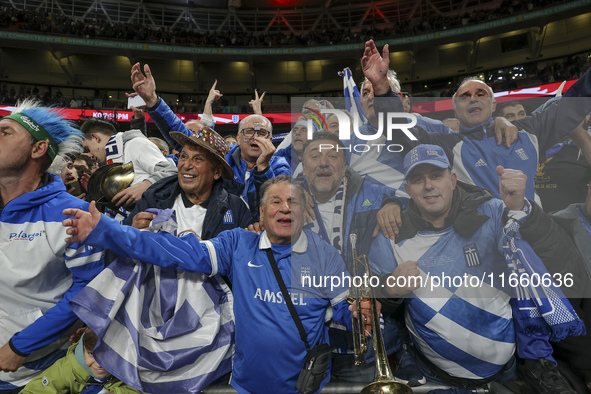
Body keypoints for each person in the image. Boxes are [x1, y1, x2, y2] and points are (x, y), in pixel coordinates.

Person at [62, 175, 374, 394]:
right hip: (246, 387)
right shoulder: (238, 244)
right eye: (275, 202)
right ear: (262, 213)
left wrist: (361, 314)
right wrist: (107, 231)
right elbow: (176, 252)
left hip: (307, 387)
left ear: (305, 214)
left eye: (293, 202)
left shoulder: (326, 256)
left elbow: (346, 311)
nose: (285, 208)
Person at [370, 144, 588, 393]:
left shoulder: (492, 211)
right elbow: (370, 304)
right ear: (407, 189)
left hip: (510, 374)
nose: (428, 185)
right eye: (418, 179)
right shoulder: (390, 234)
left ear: (452, 180)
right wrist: (389, 288)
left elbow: (552, 256)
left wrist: (521, 208)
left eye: (436, 176)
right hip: (435, 380)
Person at [298, 132, 423, 386]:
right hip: (305, 341)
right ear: (303, 165)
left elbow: (414, 202)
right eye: (315, 156)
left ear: (344, 166)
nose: (323, 162)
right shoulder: (290, 196)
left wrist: (393, 203)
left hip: (363, 342)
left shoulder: (371, 191)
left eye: (333, 156)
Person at [0, 100, 104, 392]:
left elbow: (88, 290)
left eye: (6, 132)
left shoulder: (74, 214)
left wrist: (20, 347)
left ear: (38, 149)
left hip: (35, 372)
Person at [129, 63, 290, 220]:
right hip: (220, 231)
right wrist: (153, 101)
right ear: (238, 137)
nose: (255, 137)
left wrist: (263, 168)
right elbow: (184, 135)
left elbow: (282, 202)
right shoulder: (223, 157)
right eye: (249, 132)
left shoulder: (280, 164)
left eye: (262, 133)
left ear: (270, 140)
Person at [125, 127, 253, 240]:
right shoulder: (154, 196)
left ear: (217, 172)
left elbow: (243, 258)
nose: (186, 165)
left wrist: (207, 251)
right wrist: (131, 233)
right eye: (183, 156)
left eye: (198, 159)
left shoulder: (236, 208)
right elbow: (119, 245)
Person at [80, 118, 177, 209]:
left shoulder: (135, 144)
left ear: (95, 137)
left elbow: (171, 172)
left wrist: (145, 185)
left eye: (87, 148)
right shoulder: (114, 157)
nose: (90, 155)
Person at [20, 328, 144, 394]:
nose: (99, 363)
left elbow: (154, 387)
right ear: (83, 348)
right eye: (91, 354)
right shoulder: (66, 368)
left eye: (109, 356)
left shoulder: (132, 366)